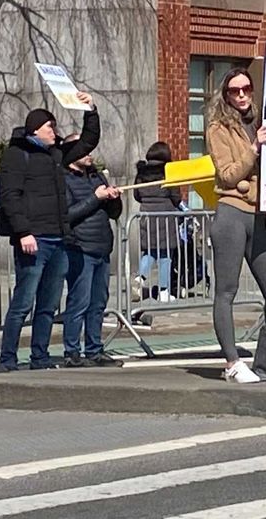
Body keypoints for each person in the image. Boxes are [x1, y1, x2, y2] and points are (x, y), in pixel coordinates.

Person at [0, 94, 100, 370]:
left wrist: (89, 109)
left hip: (58, 239)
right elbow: (10, 197)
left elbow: (88, 141)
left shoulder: (57, 154)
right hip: (33, 239)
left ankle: (39, 357)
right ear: (35, 130)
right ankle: (7, 359)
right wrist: (23, 232)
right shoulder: (17, 155)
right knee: (22, 303)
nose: (54, 132)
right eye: (49, 127)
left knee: (48, 305)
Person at [206, 68, 266, 384]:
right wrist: (254, 149)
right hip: (231, 212)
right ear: (226, 95)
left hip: (259, 215)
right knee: (226, 290)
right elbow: (227, 175)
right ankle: (232, 362)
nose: (241, 95)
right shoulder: (218, 128)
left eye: (246, 89)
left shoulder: (265, 120)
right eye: (234, 91)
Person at [62, 136, 123, 367]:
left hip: (101, 245)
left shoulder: (97, 175)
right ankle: (71, 351)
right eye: (83, 149)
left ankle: (95, 348)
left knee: (99, 302)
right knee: (80, 300)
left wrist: (114, 199)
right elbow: (68, 214)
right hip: (80, 246)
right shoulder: (65, 179)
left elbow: (113, 213)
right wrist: (95, 198)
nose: (89, 153)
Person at [133, 142, 182, 303]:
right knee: (166, 255)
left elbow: (136, 194)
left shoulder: (141, 172)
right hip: (166, 217)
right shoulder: (169, 171)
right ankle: (163, 291)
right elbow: (176, 197)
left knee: (150, 251)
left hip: (146, 215)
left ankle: (140, 278)